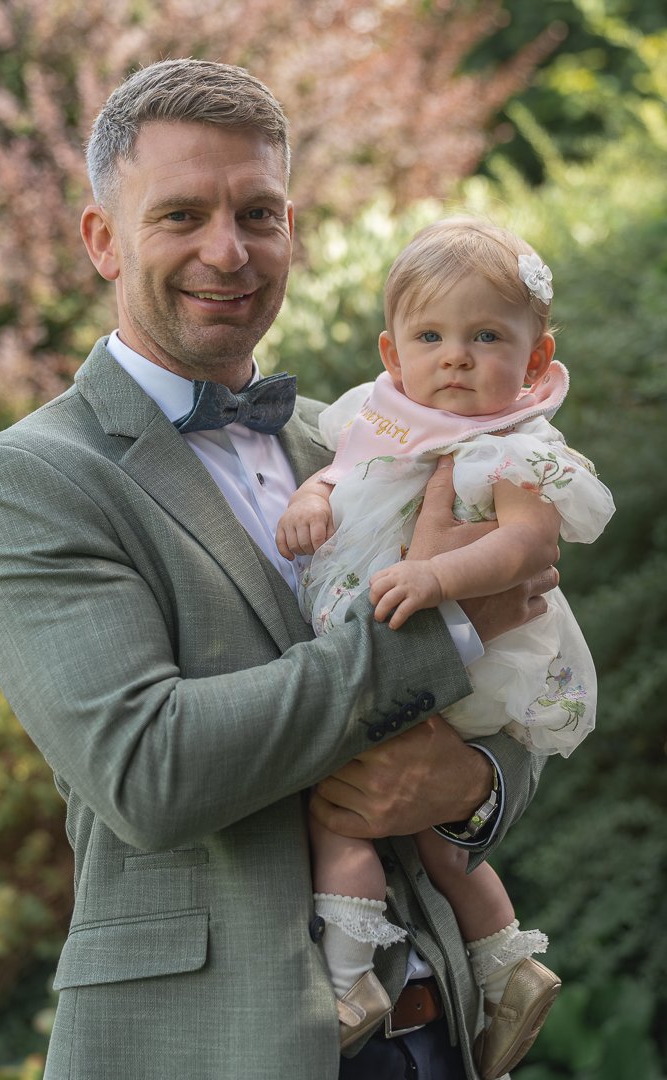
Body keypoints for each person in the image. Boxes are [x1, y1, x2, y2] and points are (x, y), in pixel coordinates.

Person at [0, 62, 558, 1080]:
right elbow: (151, 770)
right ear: (103, 239)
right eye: (181, 214)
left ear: (290, 230)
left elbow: (520, 681)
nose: (227, 251)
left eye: (258, 214)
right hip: (208, 1047)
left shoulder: (360, 444)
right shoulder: (30, 481)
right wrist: (444, 632)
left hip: (437, 1037)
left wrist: (473, 787)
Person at [277, 217, 615, 1078]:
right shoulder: (380, 420)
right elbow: (342, 471)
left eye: (486, 337)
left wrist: (438, 580)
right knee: (434, 837)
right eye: (431, 337)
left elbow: (528, 547)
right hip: (388, 646)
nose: (456, 358)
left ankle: (347, 985)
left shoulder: (515, 448)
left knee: (337, 810)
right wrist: (312, 499)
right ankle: (506, 967)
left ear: (536, 360)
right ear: (393, 356)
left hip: (470, 664)